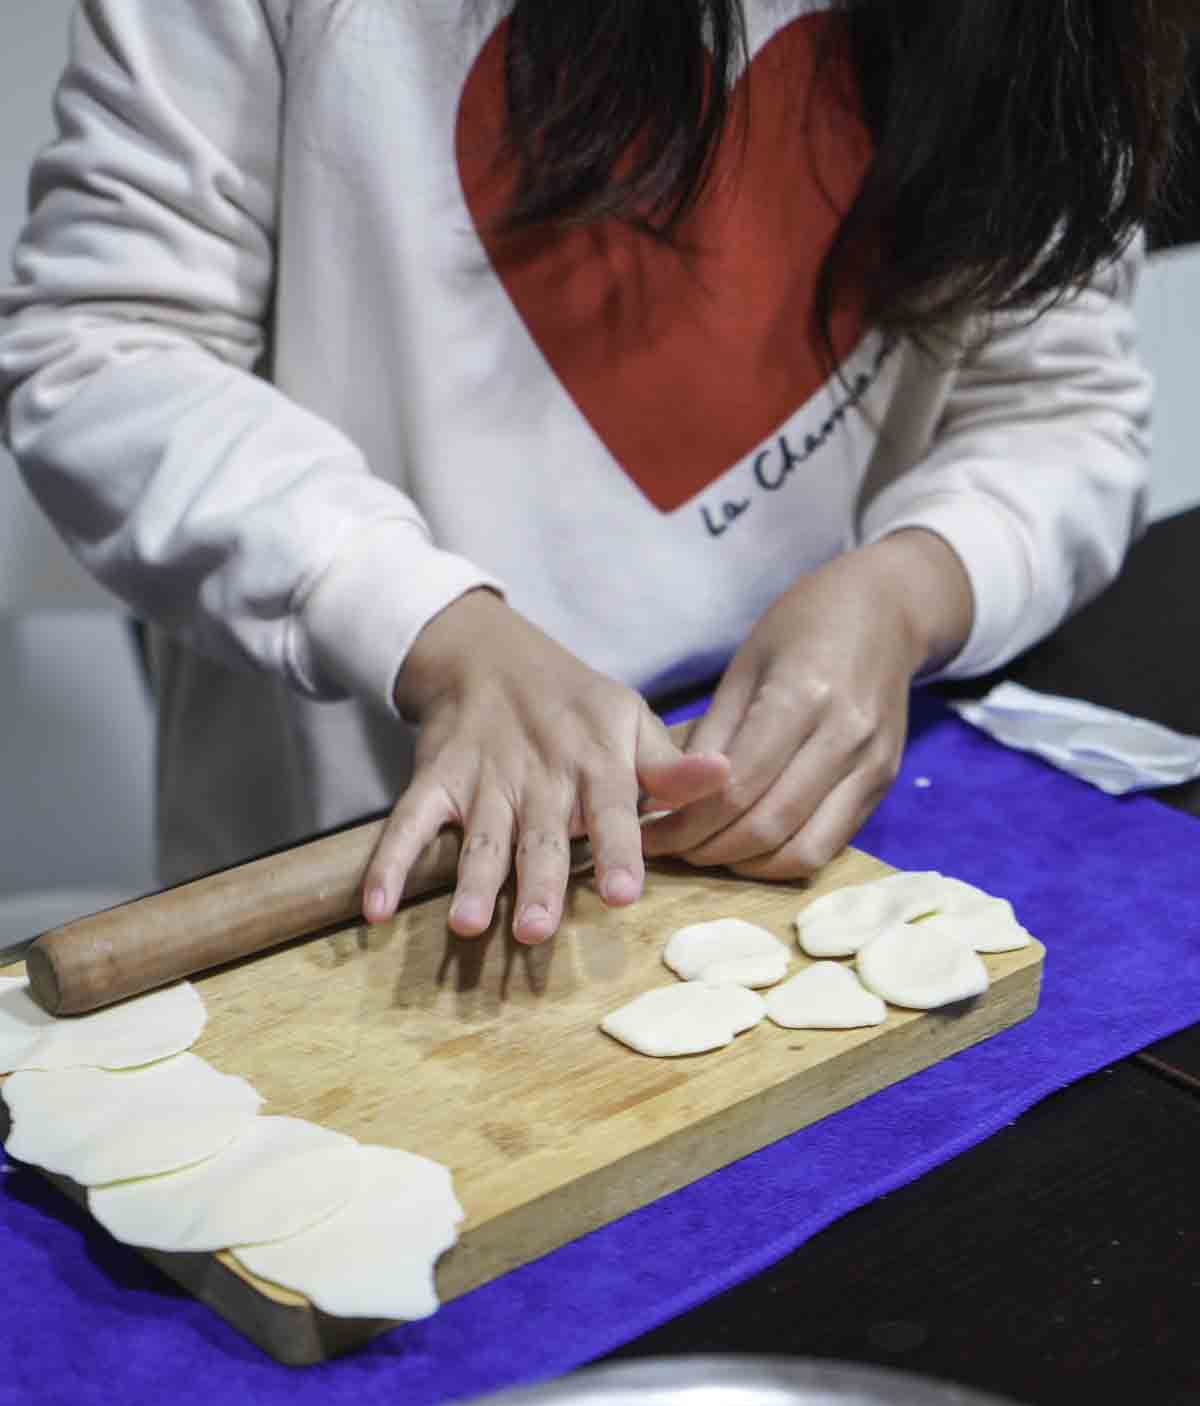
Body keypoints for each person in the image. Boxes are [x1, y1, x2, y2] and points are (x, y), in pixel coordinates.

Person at [0, 0, 1190, 947]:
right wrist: (430, 625)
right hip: (363, 844)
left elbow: (1060, 409)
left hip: (819, 812)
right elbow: (100, 352)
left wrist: (908, 593)